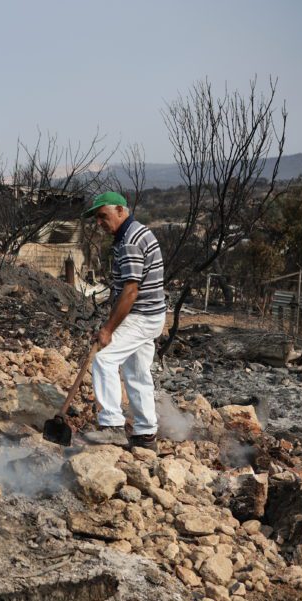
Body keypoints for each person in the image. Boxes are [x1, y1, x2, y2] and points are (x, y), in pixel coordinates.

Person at [82, 191, 167, 451]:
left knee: (104, 359)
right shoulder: (135, 233)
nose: (99, 222)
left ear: (120, 210)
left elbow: (131, 291)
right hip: (151, 315)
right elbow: (124, 292)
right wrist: (110, 323)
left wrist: (108, 330)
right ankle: (145, 434)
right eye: (96, 218)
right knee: (137, 372)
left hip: (141, 316)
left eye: (103, 216)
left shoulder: (129, 241)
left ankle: (112, 427)